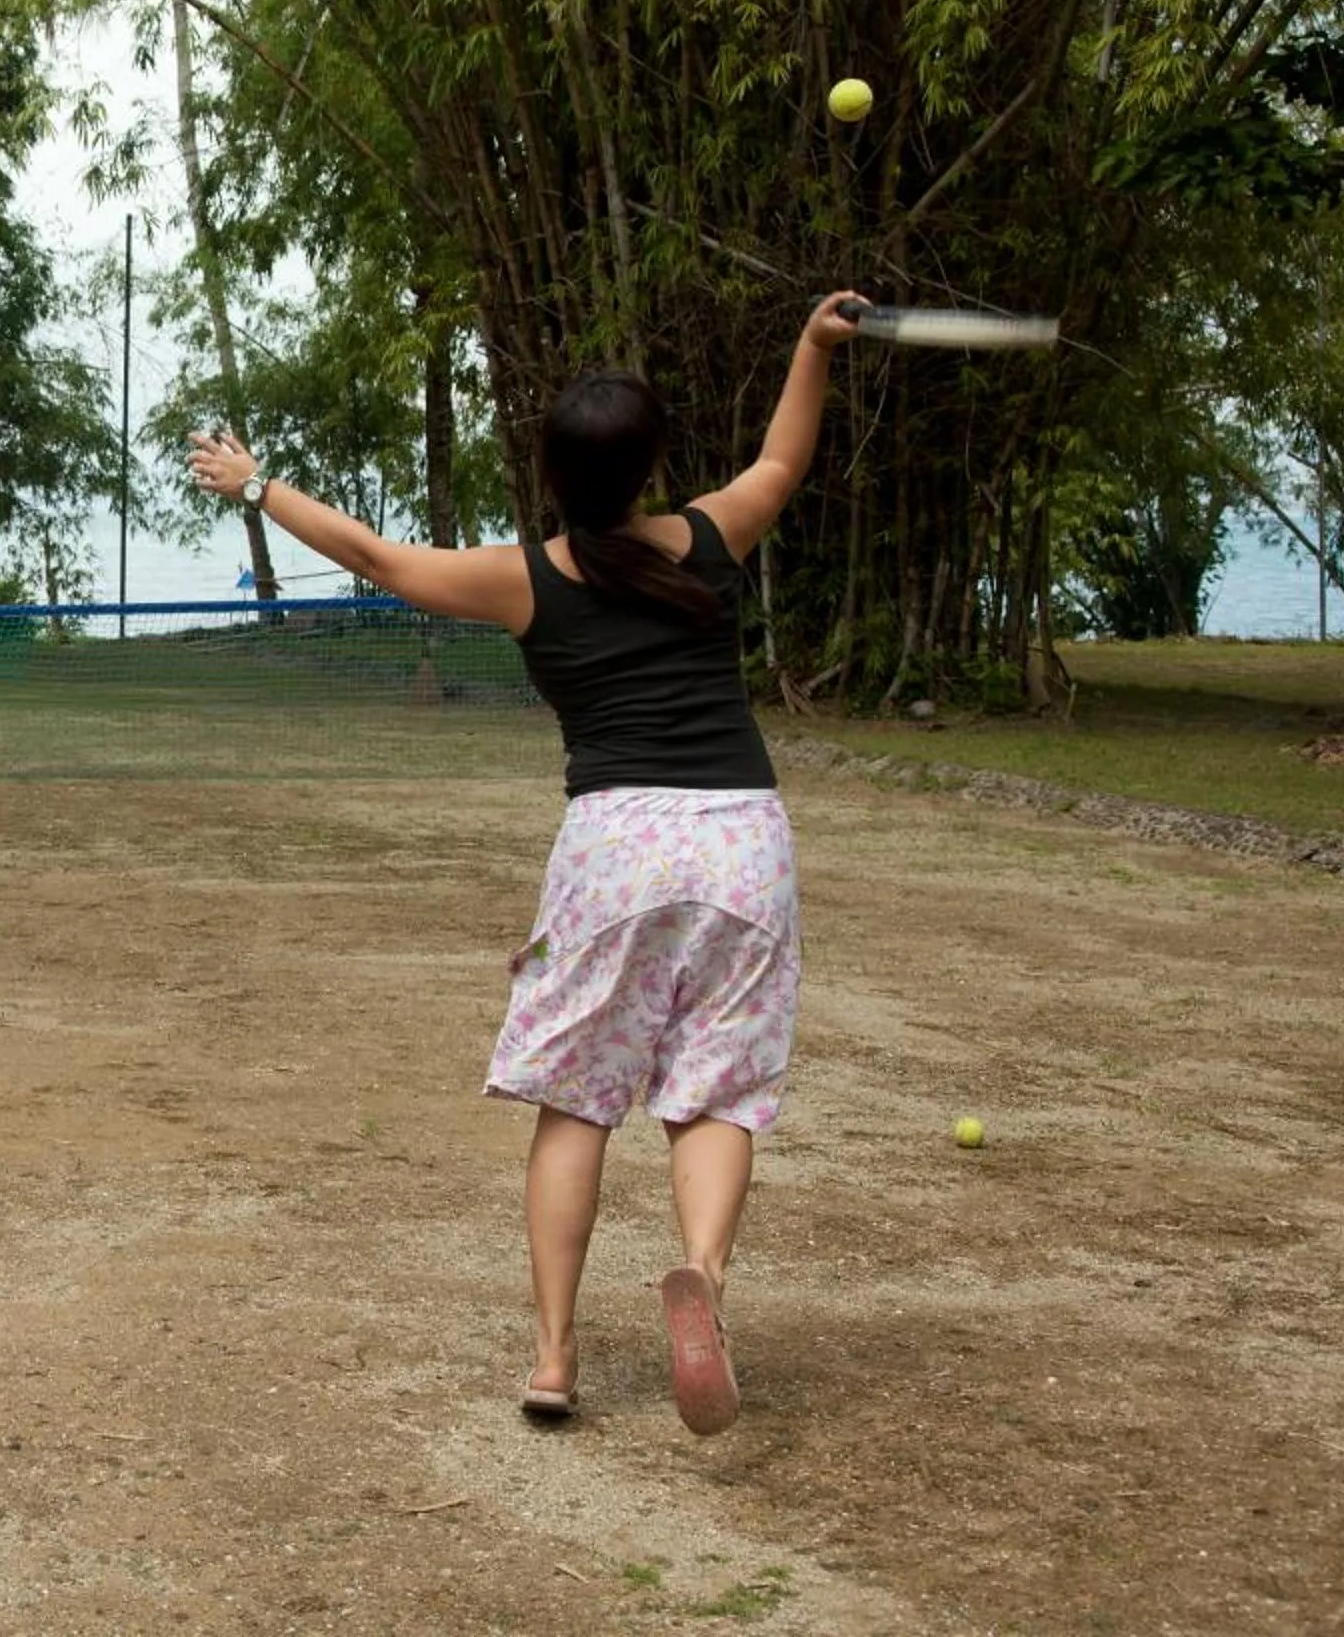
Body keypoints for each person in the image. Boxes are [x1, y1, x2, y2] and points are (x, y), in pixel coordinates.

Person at [187, 293, 865, 1437]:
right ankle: (700, 1268)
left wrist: (257, 484)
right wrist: (812, 344)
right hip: (744, 838)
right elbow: (784, 458)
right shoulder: (709, 535)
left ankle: (554, 1357)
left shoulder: (526, 577)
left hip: (616, 848)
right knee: (714, 1091)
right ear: (650, 468)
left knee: (577, 1101)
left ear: (551, 473)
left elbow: (371, 554)